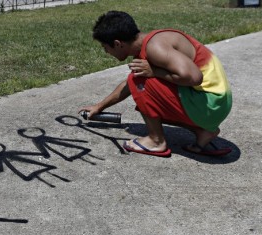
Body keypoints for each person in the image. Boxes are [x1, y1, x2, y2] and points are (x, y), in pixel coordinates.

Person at [79, 11, 232, 157]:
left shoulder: (154, 47)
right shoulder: (150, 42)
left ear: (118, 43)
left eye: (105, 48)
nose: (106, 52)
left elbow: (194, 77)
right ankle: (202, 132)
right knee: (141, 81)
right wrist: (99, 106)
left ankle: (156, 141)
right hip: (216, 103)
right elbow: (128, 86)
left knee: (140, 80)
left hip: (210, 104)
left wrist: (154, 72)